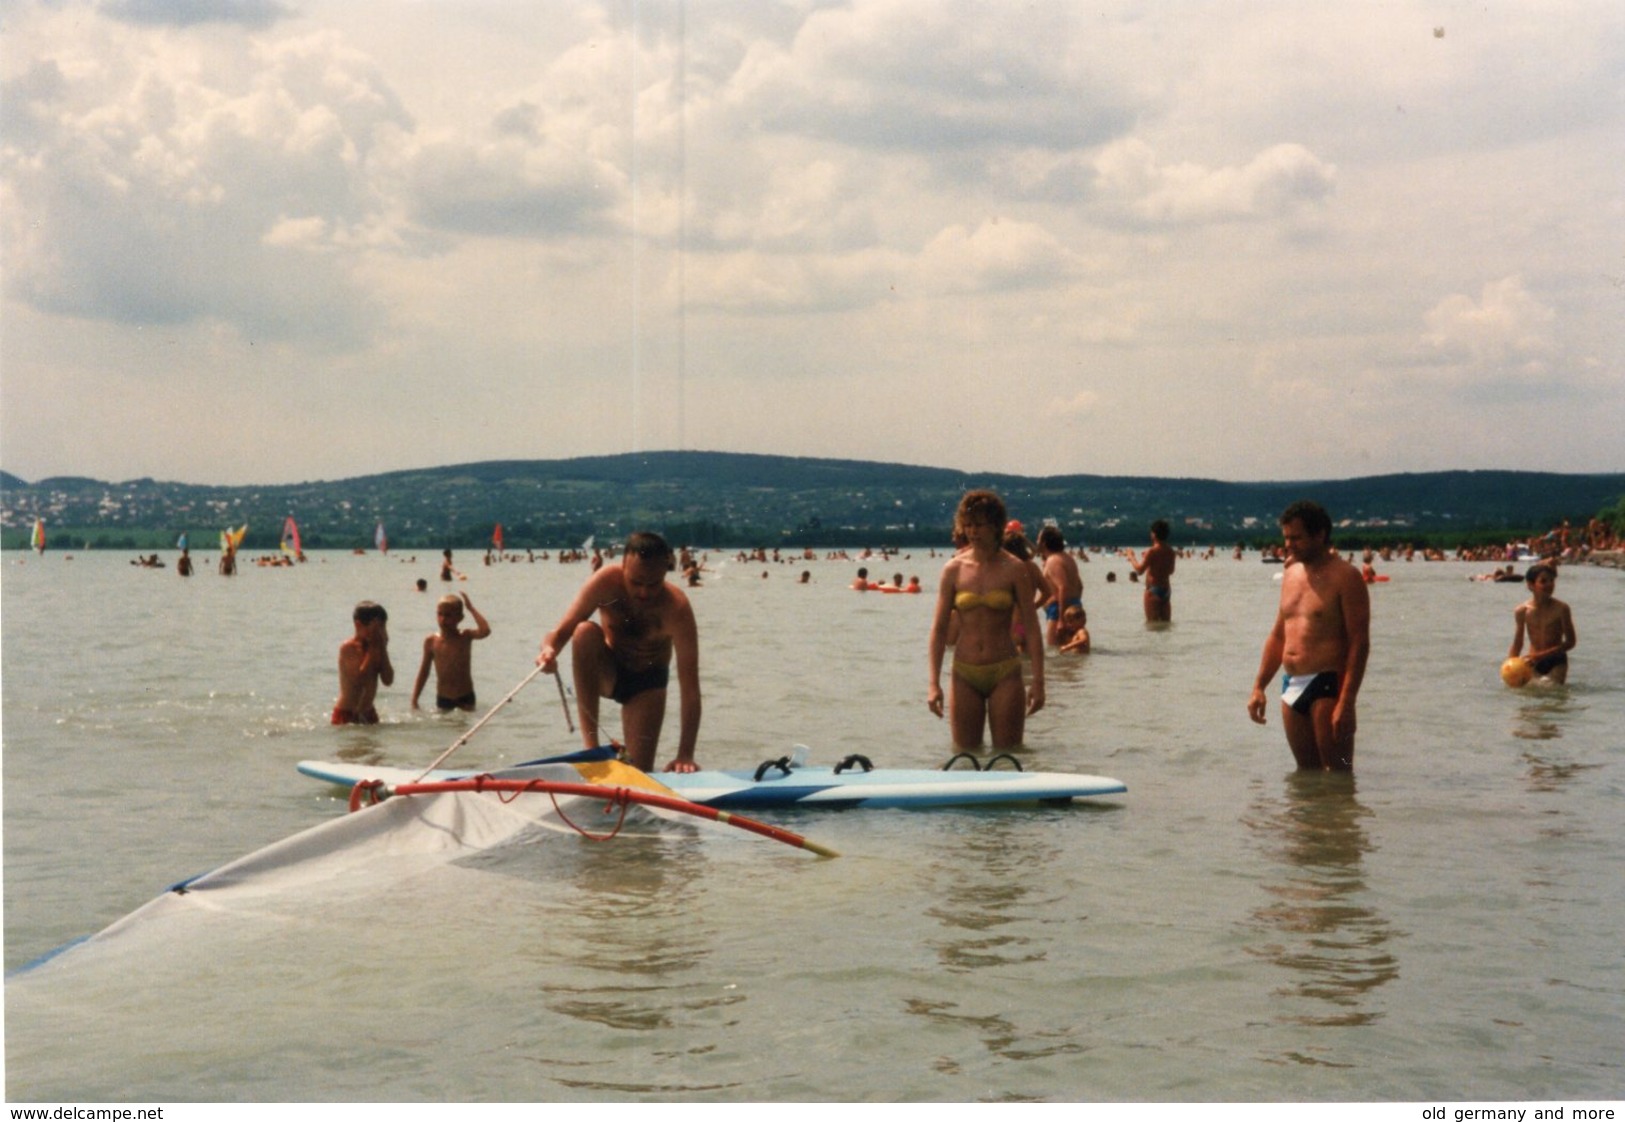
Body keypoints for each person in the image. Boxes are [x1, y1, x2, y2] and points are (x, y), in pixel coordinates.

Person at [536, 531, 701, 773]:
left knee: (638, 774)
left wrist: (685, 754)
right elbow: (560, 632)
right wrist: (548, 651)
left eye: (653, 584)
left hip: (648, 683)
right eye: (636, 582)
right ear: (623, 565)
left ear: (666, 571)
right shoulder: (605, 581)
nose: (644, 592)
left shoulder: (677, 607)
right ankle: (591, 750)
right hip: (607, 671)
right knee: (583, 632)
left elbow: (691, 689)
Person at [1246, 501, 1370, 771]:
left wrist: (1347, 702)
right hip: (1291, 685)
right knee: (1306, 778)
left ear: (1320, 535)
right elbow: (1279, 635)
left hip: (1328, 684)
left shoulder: (1346, 577)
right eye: (1286, 537)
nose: (1288, 545)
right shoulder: (1290, 573)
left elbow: (1359, 643)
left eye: (1296, 538)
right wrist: (1259, 686)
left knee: (1340, 773)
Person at [928, 490, 1044, 749]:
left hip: (1005, 670)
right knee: (965, 757)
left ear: (995, 525)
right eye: (967, 525)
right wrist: (933, 683)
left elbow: (1033, 629)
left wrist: (1038, 681)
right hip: (964, 672)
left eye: (979, 524)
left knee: (1009, 755)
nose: (972, 531)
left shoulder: (1014, 569)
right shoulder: (953, 569)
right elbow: (938, 630)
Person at [411, 593, 492, 711]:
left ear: (460, 618)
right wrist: (415, 699)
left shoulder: (465, 636)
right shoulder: (431, 641)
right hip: (444, 698)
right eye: (440, 614)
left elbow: (485, 631)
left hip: (465, 697)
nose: (443, 620)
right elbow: (424, 671)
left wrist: (471, 609)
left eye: (448, 615)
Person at [1508, 563, 1576, 683]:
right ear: (1530, 585)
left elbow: (1571, 642)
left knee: (1553, 694)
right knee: (1531, 697)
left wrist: (1540, 656)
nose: (1549, 584)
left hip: (1556, 660)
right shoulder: (1522, 611)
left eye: (1551, 580)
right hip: (1533, 661)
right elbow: (1518, 643)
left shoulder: (1561, 608)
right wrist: (1509, 665)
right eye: (1543, 581)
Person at [333, 601, 393, 725]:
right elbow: (360, 680)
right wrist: (373, 647)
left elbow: (388, 680)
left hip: (368, 713)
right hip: (346, 713)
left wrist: (382, 647)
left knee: (373, 745)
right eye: (377, 628)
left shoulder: (377, 647)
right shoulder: (348, 648)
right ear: (358, 625)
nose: (381, 632)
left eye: (383, 627)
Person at [1036, 526, 1083, 646]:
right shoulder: (1068, 558)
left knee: (1054, 650)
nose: (1036, 542)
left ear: (1044, 543)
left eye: (1038, 539)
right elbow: (1080, 586)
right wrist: (1075, 606)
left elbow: (1063, 587)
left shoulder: (1053, 561)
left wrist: (1061, 619)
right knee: (1069, 651)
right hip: (1073, 607)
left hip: (1059, 611)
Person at [1127, 519, 1175, 622]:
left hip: (1153, 590)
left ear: (1154, 534)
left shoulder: (1152, 551)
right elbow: (1171, 571)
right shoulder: (1170, 551)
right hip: (1166, 590)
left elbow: (1139, 570)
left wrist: (1131, 557)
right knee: (1165, 626)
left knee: (1152, 626)